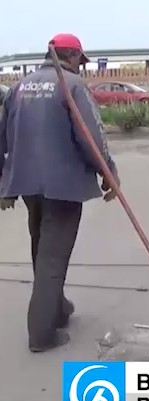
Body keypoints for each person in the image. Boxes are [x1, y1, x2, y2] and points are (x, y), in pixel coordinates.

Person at [0, 33, 120, 352]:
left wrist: (3, 183)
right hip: (62, 186)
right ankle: (41, 334)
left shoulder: (18, 87)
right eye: (80, 61)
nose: (81, 68)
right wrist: (109, 172)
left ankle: (57, 306)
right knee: (52, 257)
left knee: (42, 248)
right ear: (73, 57)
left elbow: (2, 136)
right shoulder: (72, 86)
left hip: (27, 185)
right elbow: (90, 136)